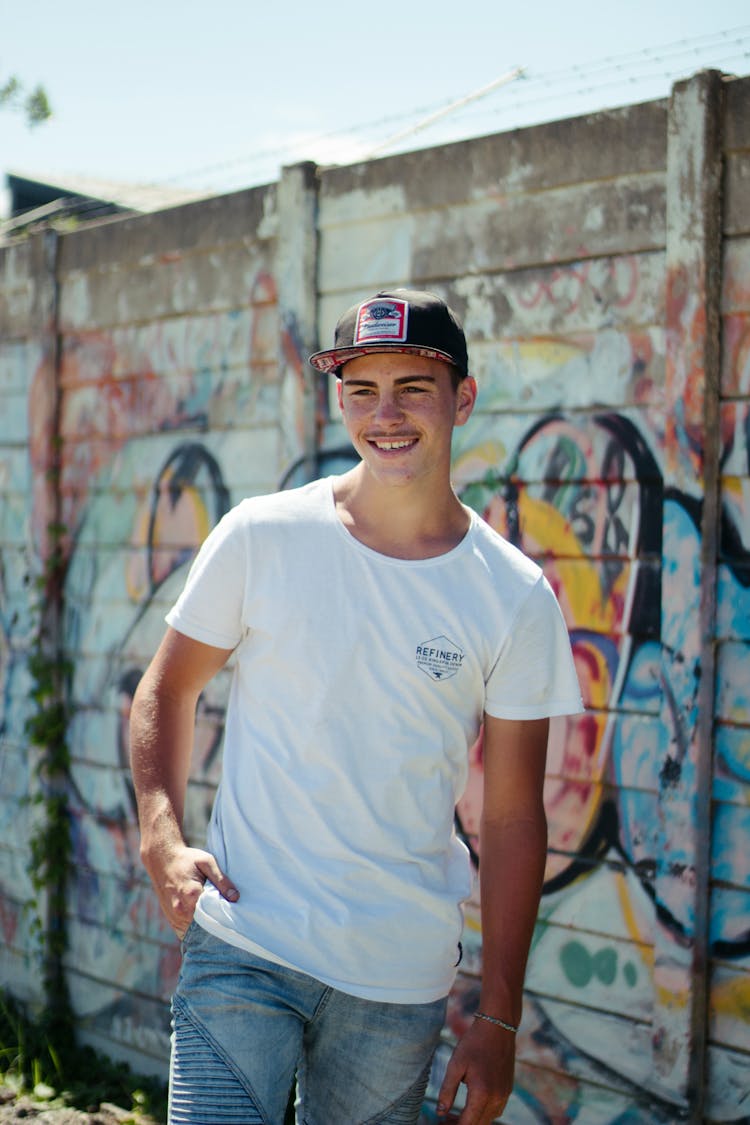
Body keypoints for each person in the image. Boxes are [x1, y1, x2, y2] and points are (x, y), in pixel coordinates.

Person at [129, 288, 583, 1125]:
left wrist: (500, 1014)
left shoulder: (512, 595)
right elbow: (167, 686)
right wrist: (161, 835)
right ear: (339, 399)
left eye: (413, 386)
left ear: (463, 398)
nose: (387, 414)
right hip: (245, 943)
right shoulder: (263, 534)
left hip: (396, 983)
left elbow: (516, 819)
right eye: (361, 390)